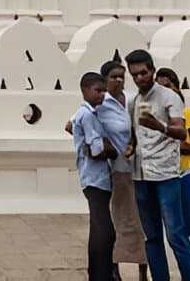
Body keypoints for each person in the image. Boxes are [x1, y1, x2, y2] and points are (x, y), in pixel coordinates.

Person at [124, 50, 190, 281]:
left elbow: (181, 131)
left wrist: (158, 126)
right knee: (151, 237)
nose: (139, 78)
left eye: (143, 73)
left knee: (176, 234)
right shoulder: (133, 101)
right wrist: (129, 148)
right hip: (141, 175)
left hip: (165, 174)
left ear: (152, 71)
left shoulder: (168, 97)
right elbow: (134, 137)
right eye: (134, 75)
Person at [155, 68, 190, 281]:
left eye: (167, 85)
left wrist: (173, 143)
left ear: (176, 86)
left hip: (186, 175)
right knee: (174, 232)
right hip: (164, 177)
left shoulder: (187, 114)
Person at [99, 60, 147, 281]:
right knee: (118, 220)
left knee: (141, 221)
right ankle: (114, 268)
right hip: (114, 171)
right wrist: (104, 147)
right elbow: (75, 125)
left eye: (121, 76)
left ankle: (143, 270)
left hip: (137, 168)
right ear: (104, 80)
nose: (118, 80)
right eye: (113, 77)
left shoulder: (131, 100)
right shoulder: (99, 103)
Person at [73, 72, 117, 281]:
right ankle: (101, 274)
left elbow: (70, 128)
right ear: (84, 90)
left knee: (100, 228)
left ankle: (98, 273)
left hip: (94, 177)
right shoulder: (89, 115)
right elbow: (96, 149)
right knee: (105, 230)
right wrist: (116, 148)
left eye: (103, 91)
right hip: (95, 177)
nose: (101, 95)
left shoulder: (86, 113)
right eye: (97, 91)